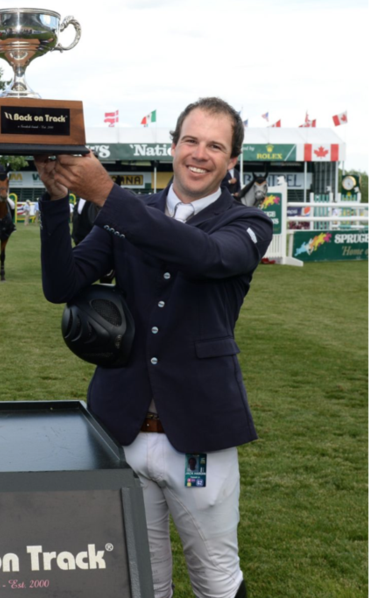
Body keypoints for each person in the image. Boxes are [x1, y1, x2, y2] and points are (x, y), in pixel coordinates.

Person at [35, 97, 273, 598]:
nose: (200, 154)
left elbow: (203, 256)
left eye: (215, 146)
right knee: (140, 582)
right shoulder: (133, 210)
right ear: (173, 146)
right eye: (191, 140)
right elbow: (64, 283)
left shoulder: (248, 223)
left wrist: (105, 193)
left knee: (217, 583)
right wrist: (57, 200)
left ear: (232, 161)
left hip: (199, 433)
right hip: (121, 429)